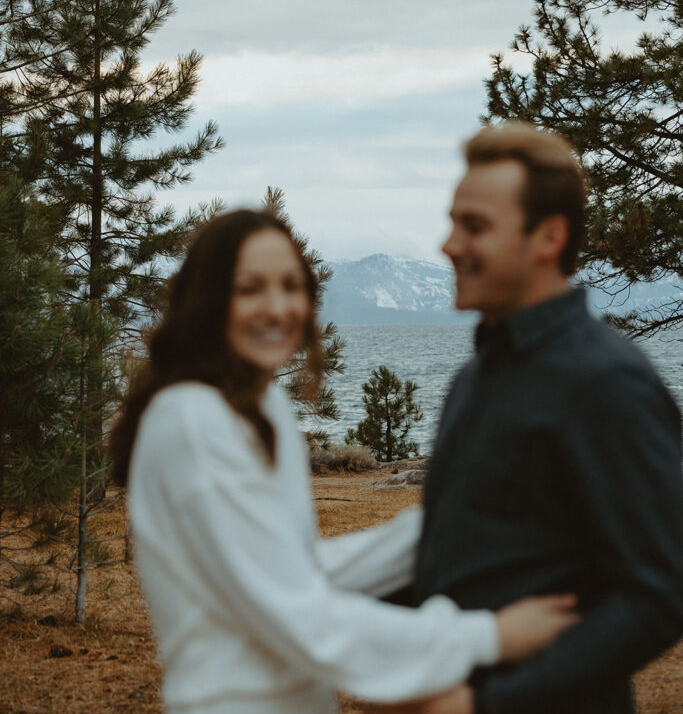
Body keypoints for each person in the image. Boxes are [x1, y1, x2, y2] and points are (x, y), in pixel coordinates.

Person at [109, 208, 577, 714]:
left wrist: (442, 527)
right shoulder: (193, 421)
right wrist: (488, 637)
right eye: (250, 288)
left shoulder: (260, 408)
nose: (277, 307)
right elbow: (301, 617)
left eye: (292, 286)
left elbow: (295, 572)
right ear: (207, 301)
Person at [413, 122, 683, 714]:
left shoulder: (605, 381)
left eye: (474, 226)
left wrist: (491, 707)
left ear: (549, 237)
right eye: (454, 222)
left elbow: (662, 592)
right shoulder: (474, 379)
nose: (449, 245)